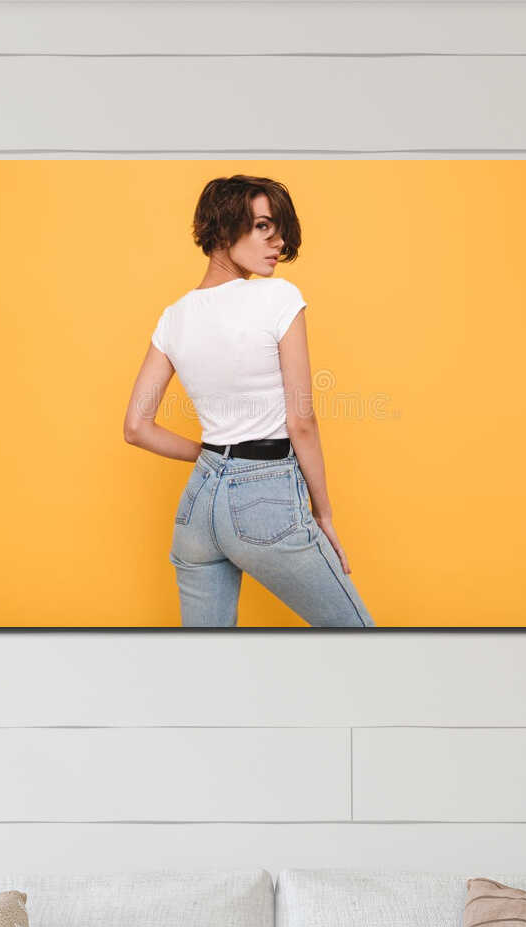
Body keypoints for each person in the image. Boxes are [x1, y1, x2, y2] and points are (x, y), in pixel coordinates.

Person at [122, 175, 373, 628]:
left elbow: (136, 428)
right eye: (262, 226)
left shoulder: (173, 318)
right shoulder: (277, 296)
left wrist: (213, 458)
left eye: (279, 229)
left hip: (199, 508)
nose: (277, 241)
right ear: (223, 229)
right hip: (265, 500)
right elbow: (302, 421)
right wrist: (324, 514)